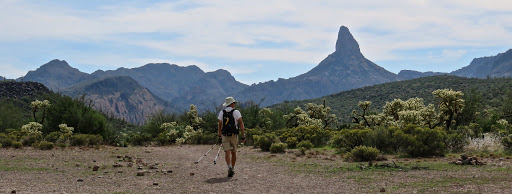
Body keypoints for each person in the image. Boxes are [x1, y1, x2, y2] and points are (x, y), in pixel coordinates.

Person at [218, 97, 246, 177]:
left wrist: (219, 135)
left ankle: (229, 167)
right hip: (234, 135)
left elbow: (220, 124)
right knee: (233, 152)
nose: (234, 104)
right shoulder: (236, 112)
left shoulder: (221, 113)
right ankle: (232, 168)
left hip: (224, 135)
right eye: (234, 103)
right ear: (232, 104)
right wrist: (243, 135)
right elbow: (241, 123)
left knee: (227, 152)